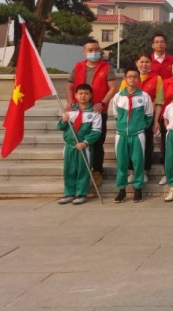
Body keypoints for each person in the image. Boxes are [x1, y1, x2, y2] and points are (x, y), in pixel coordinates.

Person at [66, 39, 117, 187]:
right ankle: (80, 170)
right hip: (79, 111)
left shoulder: (106, 67)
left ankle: (97, 171)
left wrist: (102, 103)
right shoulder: (78, 66)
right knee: (79, 140)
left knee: (97, 142)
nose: (94, 52)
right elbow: (69, 87)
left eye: (96, 50)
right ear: (84, 52)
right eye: (90, 50)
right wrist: (70, 102)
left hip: (98, 111)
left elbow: (112, 88)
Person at [120, 53, 164, 184]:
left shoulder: (157, 78)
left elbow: (159, 101)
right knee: (130, 145)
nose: (144, 64)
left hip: (147, 118)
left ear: (151, 63)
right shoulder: (128, 78)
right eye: (141, 61)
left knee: (147, 145)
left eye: (147, 62)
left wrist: (156, 121)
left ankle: (144, 172)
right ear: (136, 63)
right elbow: (121, 99)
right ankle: (131, 172)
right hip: (130, 118)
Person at [113, 67, 154, 204]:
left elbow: (149, 116)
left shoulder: (144, 96)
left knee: (138, 162)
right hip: (121, 135)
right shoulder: (118, 97)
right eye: (129, 76)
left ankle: (138, 189)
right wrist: (123, 127)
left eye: (135, 77)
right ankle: (121, 190)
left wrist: (139, 127)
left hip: (137, 135)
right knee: (121, 163)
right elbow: (116, 115)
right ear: (125, 78)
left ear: (138, 79)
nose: (132, 79)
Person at [57, 83, 102, 205]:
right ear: (75, 95)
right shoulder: (70, 111)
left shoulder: (95, 113)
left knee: (83, 170)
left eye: (86, 94)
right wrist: (63, 121)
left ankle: (81, 194)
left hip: (84, 147)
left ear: (90, 95)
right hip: (70, 146)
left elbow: (96, 131)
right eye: (80, 93)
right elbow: (60, 127)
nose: (83, 96)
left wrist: (85, 143)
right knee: (69, 170)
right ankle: (69, 193)